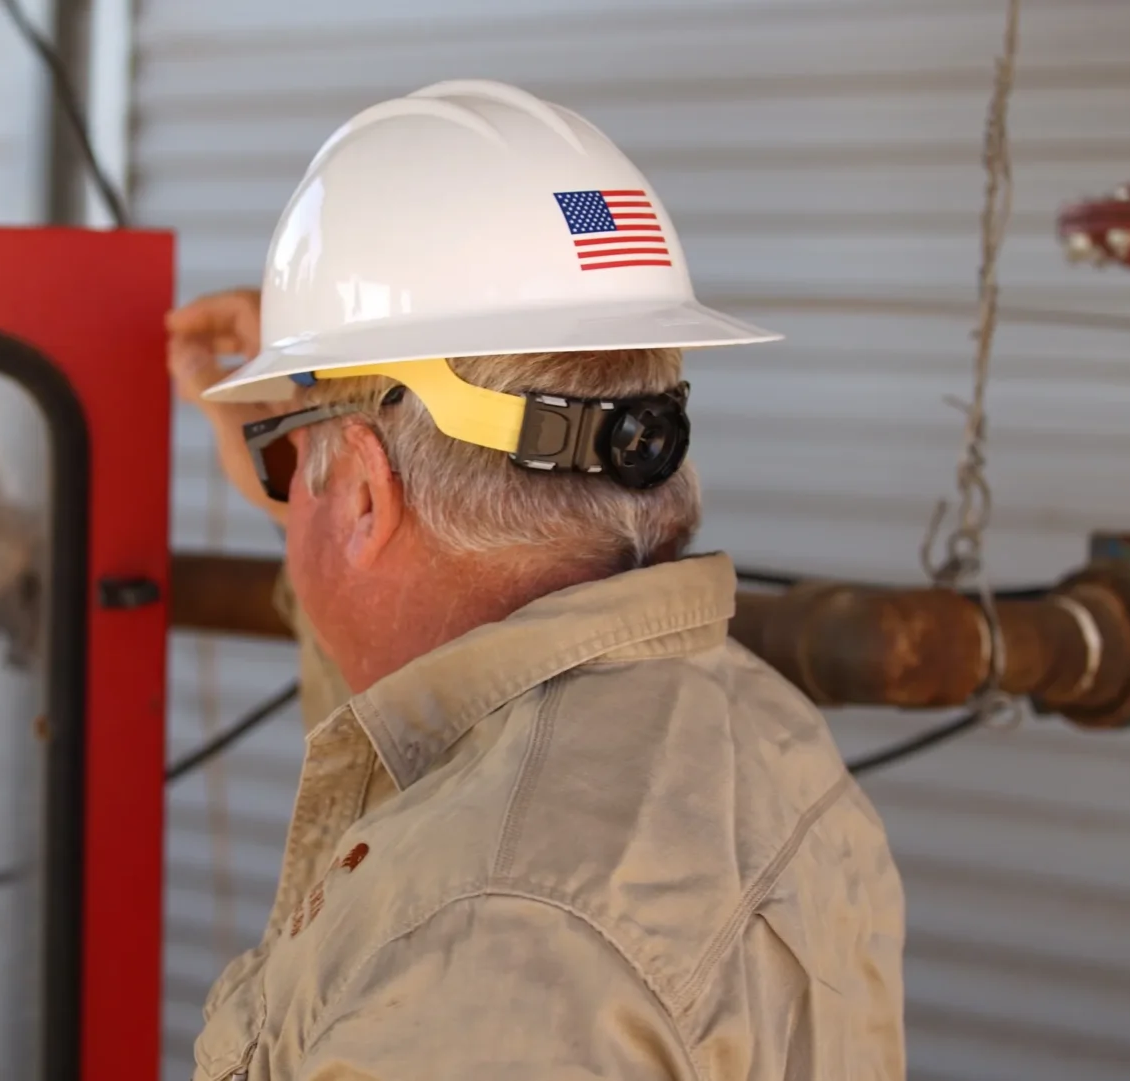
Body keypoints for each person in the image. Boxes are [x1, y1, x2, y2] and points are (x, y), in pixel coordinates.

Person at [166, 80, 906, 1080]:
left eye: (294, 472)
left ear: (367, 502)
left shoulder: (483, 935)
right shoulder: (753, 725)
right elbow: (406, 653)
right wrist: (305, 439)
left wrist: (313, 450)